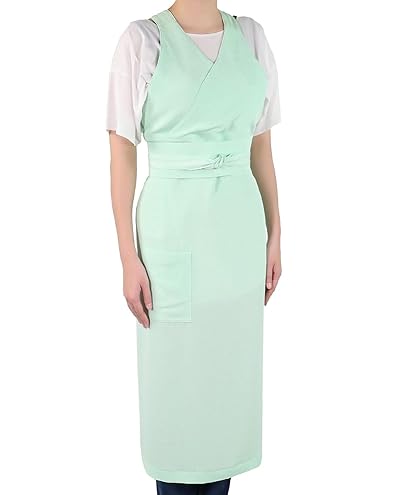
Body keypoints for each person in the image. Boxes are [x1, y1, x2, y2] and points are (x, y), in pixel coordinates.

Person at [106, 1, 282, 493]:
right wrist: (127, 257)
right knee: (176, 393)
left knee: (226, 388)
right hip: (172, 233)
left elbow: (261, 148)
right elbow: (121, 153)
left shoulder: (251, 38)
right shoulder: (143, 41)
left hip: (238, 237)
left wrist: (275, 233)